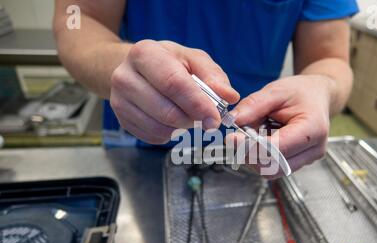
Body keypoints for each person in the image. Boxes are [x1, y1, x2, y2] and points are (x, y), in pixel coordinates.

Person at [53, 0, 358, 177]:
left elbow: (329, 57)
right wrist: (120, 64)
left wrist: (322, 87)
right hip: (139, 151)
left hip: (252, 158)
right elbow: (80, 22)